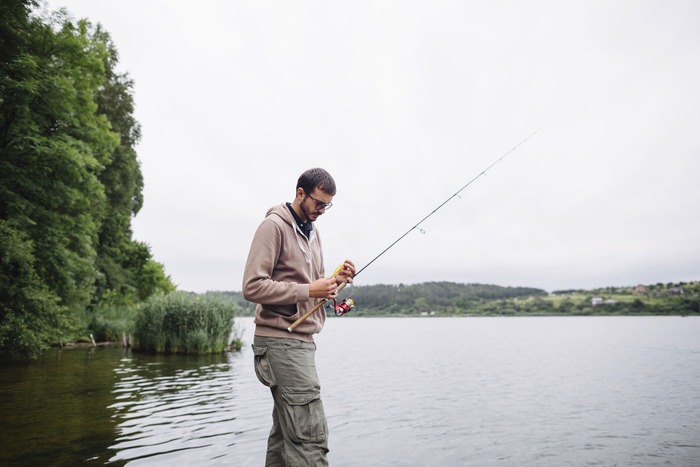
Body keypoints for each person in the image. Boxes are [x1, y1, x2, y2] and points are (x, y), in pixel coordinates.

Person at [243, 167, 355, 466]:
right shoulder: (273, 227)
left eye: (327, 205)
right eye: (318, 203)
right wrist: (308, 290)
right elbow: (252, 286)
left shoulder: (313, 232)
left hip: (301, 342)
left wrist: (336, 280)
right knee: (309, 438)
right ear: (300, 193)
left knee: (284, 437)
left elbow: (312, 283)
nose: (322, 210)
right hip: (282, 342)